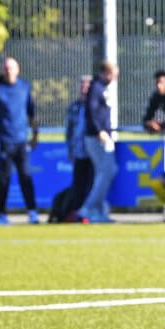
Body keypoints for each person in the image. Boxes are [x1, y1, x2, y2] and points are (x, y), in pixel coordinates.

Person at [0, 57, 39, 225]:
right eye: (6, 68)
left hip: (21, 142)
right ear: (2, 70)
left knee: (26, 177)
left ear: (18, 69)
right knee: (3, 179)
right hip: (4, 142)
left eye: (11, 67)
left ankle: (33, 212)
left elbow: (32, 114)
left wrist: (35, 135)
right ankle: (1, 214)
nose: (8, 70)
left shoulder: (24, 87)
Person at [77, 61, 119, 224]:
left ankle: (99, 211)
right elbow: (92, 112)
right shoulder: (96, 88)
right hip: (96, 137)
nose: (114, 79)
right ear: (104, 73)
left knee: (105, 173)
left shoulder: (102, 88)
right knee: (107, 171)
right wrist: (99, 131)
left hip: (103, 136)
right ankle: (88, 207)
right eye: (112, 75)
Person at [60, 75, 94, 222]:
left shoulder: (96, 106)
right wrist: (70, 149)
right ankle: (77, 213)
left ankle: (90, 213)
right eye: (82, 86)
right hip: (79, 152)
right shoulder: (74, 107)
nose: (84, 89)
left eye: (87, 86)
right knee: (79, 184)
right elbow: (69, 131)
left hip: (94, 152)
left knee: (92, 183)